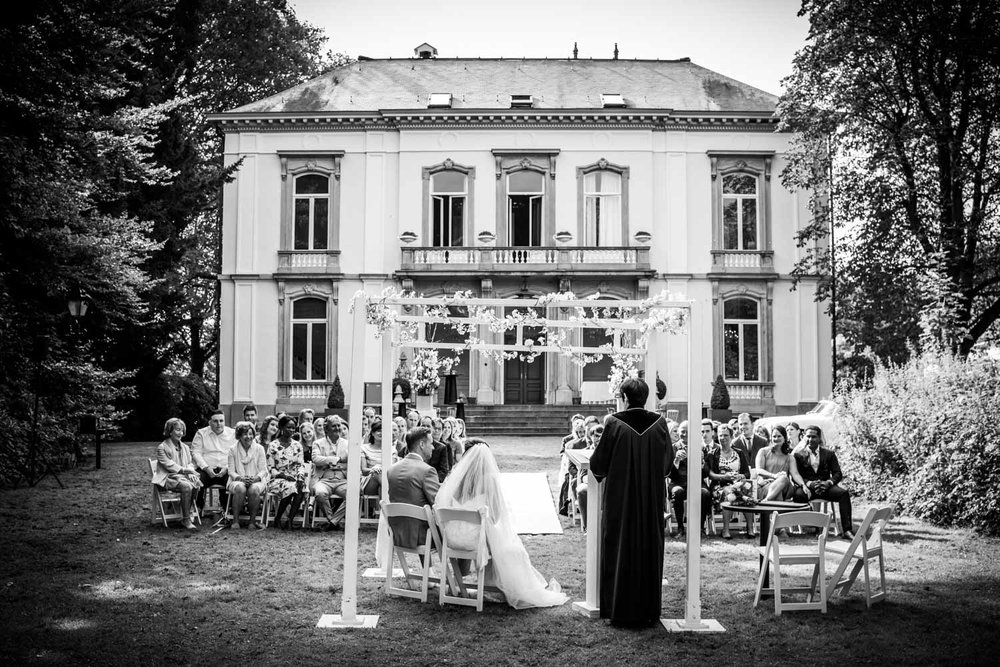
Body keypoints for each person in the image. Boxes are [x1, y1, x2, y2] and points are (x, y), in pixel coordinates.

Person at [434, 439, 569, 609]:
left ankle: (487, 587)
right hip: (477, 541)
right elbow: (497, 516)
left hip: (452, 538)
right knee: (511, 548)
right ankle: (507, 588)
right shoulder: (488, 480)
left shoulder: (456, 478)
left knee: (501, 542)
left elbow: (443, 506)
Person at [589, 378, 673, 628]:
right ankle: (648, 610)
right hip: (650, 499)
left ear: (625, 397)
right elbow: (667, 464)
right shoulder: (660, 424)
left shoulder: (614, 423)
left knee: (620, 545)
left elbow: (598, 464)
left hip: (620, 499)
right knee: (648, 546)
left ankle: (621, 609)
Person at [792, 426, 855, 539]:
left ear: (819, 438)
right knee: (798, 495)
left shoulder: (829, 454)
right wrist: (809, 483)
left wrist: (828, 483)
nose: (810, 439)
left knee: (844, 493)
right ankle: (813, 527)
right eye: (808, 436)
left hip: (826, 486)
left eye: (814, 437)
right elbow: (796, 475)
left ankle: (847, 530)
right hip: (808, 487)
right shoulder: (798, 455)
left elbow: (837, 473)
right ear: (804, 437)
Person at [385, 426, 440, 548]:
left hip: (396, 534)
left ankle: (428, 568)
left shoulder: (392, 469)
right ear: (421, 444)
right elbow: (438, 503)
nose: (433, 447)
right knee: (462, 538)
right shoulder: (427, 471)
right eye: (431, 443)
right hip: (422, 536)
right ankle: (459, 568)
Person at [153, 417, 203, 530]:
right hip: (167, 478)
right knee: (187, 487)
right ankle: (186, 519)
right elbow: (169, 465)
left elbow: (190, 463)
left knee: (196, 483)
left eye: (181, 430)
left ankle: (188, 512)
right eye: (177, 430)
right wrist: (186, 471)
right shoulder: (162, 447)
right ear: (170, 431)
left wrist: (190, 472)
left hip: (182, 477)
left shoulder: (185, 447)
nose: (180, 433)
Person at [707, 423, 752, 539]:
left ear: (731, 436)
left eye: (726, 435)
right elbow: (710, 475)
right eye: (721, 435)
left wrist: (741, 476)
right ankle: (725, 530)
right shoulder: (712, 454)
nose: (723, 438)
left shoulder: (739, 453)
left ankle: (750, 528)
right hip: (719, 485)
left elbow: (747, 473)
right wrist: (724, 477)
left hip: (738, 484)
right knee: (730, 493)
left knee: (745, 489)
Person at [668, 423, 712, 539]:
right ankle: (680, 528)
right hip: (678, 482)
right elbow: (668, 473)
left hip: (697, 482)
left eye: (688, 431)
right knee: (678, 492)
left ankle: (700, 528)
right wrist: (676, 461)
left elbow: (706, 473)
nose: (685, 434)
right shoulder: (672, 447)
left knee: (705, 493)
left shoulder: (701, 448)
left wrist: (702, 462)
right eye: (682, 431)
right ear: (678, 432)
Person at [191, 409, 236, 515]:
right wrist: (206, 468)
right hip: (206, 469)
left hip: (226, 469)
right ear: (209, 422)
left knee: (233, 483)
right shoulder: (201, 433)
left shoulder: (232, 434)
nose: (218, 424)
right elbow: (196, 453)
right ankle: (198, 507)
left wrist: (227, 468)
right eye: (215, 421)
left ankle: (227, 509)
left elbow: (235, 454)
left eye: (221, 421)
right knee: (196, 481)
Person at [266, 415, 306, 529]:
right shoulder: (273, 445)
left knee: (300, 487)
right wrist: (282, 475)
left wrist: (300, 476)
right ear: (281, 427)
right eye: (289, 427)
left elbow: (300, 465)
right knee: (290, 487)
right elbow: (271, 468)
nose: (291, 430)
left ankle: (290, 519)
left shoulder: (297, 445)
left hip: (294, 478)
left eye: (293, 428)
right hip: (278, 479)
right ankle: (278, 517)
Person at [226, 421, 268, 529]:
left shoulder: (259, 448)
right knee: (240, 488)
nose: (248, 437)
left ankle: (252, 522)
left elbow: (263, 470)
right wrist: (241, 479)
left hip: (257, 480)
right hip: (237, 480)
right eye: (245, 434)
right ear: (239, 436)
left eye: (250, 434)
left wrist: (255, 479)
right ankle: (235, 521)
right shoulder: (232, 449)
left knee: (253, 489)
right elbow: (231, 471)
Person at [311, 416, 349, 531]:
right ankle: (332, 520)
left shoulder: (348, 443)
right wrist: (335, 459)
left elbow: (352, 459)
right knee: (320, 493)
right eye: (334, 426)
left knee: (354, 494)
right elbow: (316, 459)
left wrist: (326, 460)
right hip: (324, 479)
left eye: (339, 425)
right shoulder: (318, 443)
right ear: (326, 429)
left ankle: (333, 522)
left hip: (342, 479)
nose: (337, 428)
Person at [754, 424, 806, 502]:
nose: (776, 438)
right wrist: (774, 476)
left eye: (779, 436)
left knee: (783, 478)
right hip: (766, 485)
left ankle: (766, 501)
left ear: (784, 438)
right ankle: (774, 510)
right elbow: (758, 470)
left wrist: (803, 485)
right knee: (778, 492)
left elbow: (795, 474)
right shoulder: (763, 451)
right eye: (774, 436)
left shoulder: (790, 457)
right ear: (771, 438)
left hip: (785, 486)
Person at [574, 422, 604, 531]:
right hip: (590, 483)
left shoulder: (610, 452)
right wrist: (593, 481)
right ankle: (588, 527)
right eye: (596, 436)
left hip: (607, 485)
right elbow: (583, 475)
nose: (598, 439)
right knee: (581, 490)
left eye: (601, 436)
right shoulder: (585, 452)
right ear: (590, 437)